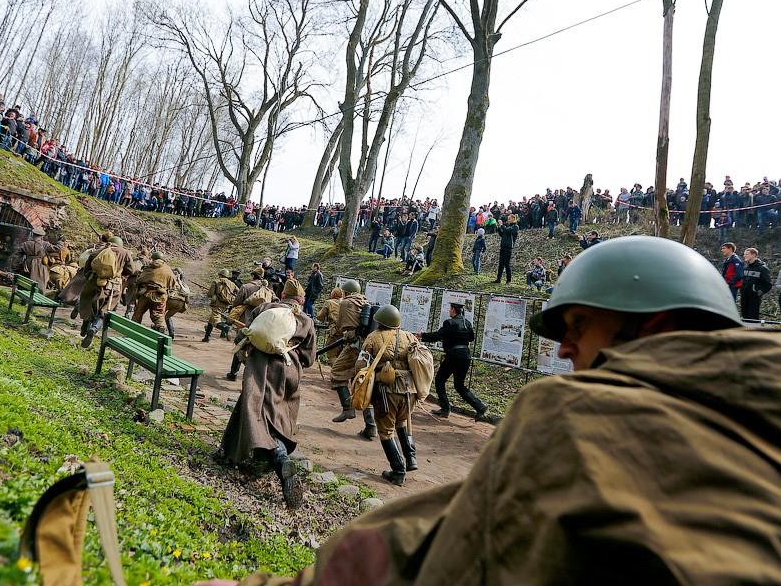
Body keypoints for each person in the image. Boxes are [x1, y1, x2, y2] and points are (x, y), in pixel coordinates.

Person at [202, 236, 781, 586]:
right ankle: (406, 460)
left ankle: (395, 465)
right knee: (403, 429)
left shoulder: (578, 415)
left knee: (385, 430)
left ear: (652, 326)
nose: (562, 349)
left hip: (389, 395)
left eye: (578, 326)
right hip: (414, 394)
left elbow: (440, 551)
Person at [217, 279, 316, 509]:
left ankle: (279, 459)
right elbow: (309, 359)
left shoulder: (265, 308)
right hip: (289, 370)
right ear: (301, 299)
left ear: (282, 294)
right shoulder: (306, 320)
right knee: (277, 414)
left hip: (260, 367)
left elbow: (246, 334)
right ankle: (234, 451)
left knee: (255, 409)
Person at [356, 304, 419, 485]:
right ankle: (411, 457)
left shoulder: (373, 338)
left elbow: (361, 365)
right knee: (402, 422)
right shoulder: (409, 336)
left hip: (386, 391)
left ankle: (398, 471)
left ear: (380, 321)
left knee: (385, 431)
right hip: (409, 390)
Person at [420, 302, 486, 421]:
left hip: (453, 356)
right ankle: (479, 406)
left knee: (440, 380)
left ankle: (445, 408)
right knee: (459, 385)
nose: (449, 311)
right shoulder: (467, 323)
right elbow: (471, 338)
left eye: (450, 309)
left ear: (454, 310)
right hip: (465, 356)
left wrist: (422, 336)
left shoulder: (449, 323)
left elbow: (438, 335)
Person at [328, 280, 375, 439]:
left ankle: (347, 409)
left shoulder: (346, 303)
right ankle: (371, 426)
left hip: (354, 346)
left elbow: (342, 326)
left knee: (337, 372)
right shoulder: (364, 302)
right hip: (367, 348)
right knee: (362, 383)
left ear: (345, 292)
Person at [78, 236, 134, 348]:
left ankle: (85, 325)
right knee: (104, 310)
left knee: (89, 304)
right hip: (112, 287)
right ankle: (94, 329)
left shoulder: (99, 250)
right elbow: (131, 270)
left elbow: (87, 267)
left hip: (94, 282)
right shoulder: (125, 253)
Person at [226, 267, 274, 380]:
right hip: (261, 322)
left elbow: (236, 303)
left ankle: (233, 373)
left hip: (244, 321)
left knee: (240, 345)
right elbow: (275, 302)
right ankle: (253, 375)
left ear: (253, 276)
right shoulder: (268, 290)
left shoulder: (246, 287)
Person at [131, 251, 177, 333]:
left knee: (138, 313)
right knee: (158, 315)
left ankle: (133, 332)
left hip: (146, 293)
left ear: (153, 258)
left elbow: (140, 280)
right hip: (160, 296)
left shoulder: (149, 267)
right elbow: (173, 282)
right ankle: (160, 328)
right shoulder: (168, 269)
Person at [13, 227, 61, 293]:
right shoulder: (45, 244)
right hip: (41, 265)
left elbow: (17, 255)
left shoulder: (26, 244)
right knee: (41, 281)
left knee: (26, 279)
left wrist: (17, 266)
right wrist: (60, 241)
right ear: (42, 236)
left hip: (27, 265)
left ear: (33, 235)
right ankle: (37, 297)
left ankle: (24, 298)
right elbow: (57, 248)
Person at [205, 269, 238, 342]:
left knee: (215, 321)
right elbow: (238, 291)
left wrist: (214, 294)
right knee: (211, 320)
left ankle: (227, 329)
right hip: (226, 305)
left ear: (220, 275)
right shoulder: (232, 284)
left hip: (217, 305)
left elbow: (210, 294)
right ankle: (206, 337)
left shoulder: (216, 282)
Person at [740, 247, 772, 321]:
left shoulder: (762, 269)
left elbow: (768, 284)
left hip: (754, 298)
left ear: (753, 255)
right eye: (744, 254)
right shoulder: (745, 268)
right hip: (744, 296)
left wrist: (759, 292)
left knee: (752, 318)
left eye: (747, 254)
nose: (744, 256)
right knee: (745, 317)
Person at [492, 214, 518, 284]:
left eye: (509, 219)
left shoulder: (515, 227)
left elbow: (508, 231)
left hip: (508, 247)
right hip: (503, 246)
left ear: (513, 219)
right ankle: (498, 279)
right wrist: (499, 227)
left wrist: (502, 225)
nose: (508, 220)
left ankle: (508, 280)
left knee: (507, 264)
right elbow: (502, 234)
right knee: (501, 264)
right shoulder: (507, 226)